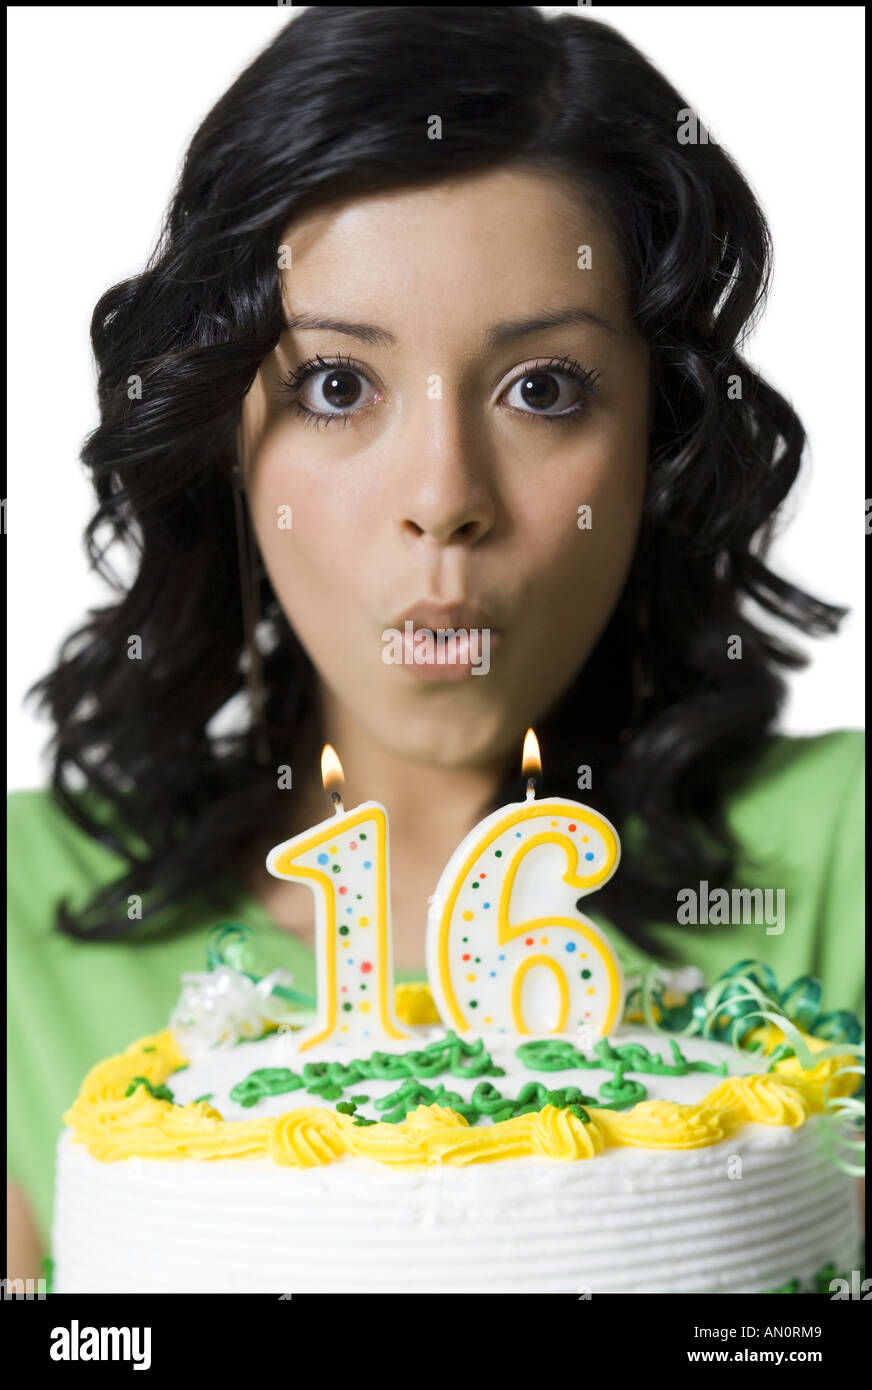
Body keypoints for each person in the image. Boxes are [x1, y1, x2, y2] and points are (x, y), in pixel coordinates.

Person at [7, 5, 863, 1282]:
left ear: (654, 443)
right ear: (228, 443)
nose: (444, 495)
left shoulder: (840, 863)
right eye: (337, 385)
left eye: (544, 388)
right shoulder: (30, 919)